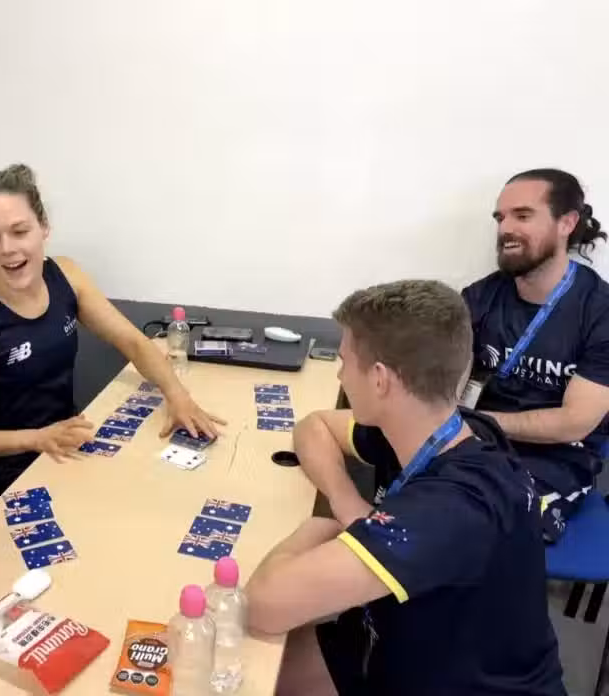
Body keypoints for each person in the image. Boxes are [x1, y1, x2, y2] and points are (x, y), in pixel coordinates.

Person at [246, 280, 564, 696]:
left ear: (380, 380)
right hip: (398, 636)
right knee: (249, 660)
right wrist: (346, 503)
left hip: (461, 684)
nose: (340, 375)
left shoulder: (450, 509)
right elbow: (314, 426)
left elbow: (262, 605)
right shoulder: (442, 428)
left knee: (240, 651)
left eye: (344, 362)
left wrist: (320, 527)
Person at [0, 163, 222, 506]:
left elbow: (132, 341)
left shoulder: (66, 274)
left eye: (19, 231)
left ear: (44, 227)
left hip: (67, 448)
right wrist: (35, 438)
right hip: (7, 479)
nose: (6, 248)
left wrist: (177, 395)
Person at [461, 168, 609, 542]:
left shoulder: (600, 312)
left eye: (523, 216)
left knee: (476, 523)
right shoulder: (479, 298)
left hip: (555, 460)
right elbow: (447, 386)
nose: (505, 229)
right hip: (472, 441)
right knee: (413, 497)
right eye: (500, 218)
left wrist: (474, 421)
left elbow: (574, 423)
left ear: (567, 223)